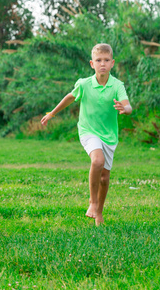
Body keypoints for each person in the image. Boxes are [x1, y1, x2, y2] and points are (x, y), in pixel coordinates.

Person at [41, 43, 132, 226]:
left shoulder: (117, 85)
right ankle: (92, 201)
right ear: (92, 64)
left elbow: (128, 105)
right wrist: (52, 113)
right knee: (97, 161)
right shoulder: (84, 84)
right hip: (88, 131)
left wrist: (125, 109)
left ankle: (99, 213)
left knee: (105, 178)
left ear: (112, 63)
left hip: (109, 136)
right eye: (98, 60)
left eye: (106, 60)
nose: (102, 64)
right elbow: (70, 97)